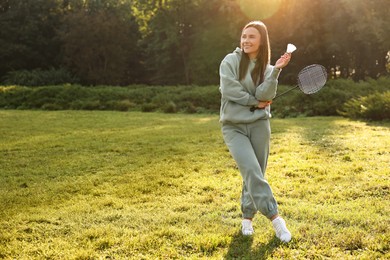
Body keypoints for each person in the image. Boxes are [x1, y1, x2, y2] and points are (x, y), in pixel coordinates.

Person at [219, 21, 292, 242]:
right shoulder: (230, 61)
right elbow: (229, 89)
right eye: (244, 36)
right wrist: (253, 101)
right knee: (250, 169)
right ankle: (276, 218)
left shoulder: (267, 69)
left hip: (260, 124)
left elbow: (265, 94)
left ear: (262, 41)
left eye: (251, 37)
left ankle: (247, 218)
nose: (246, 41)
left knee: (255, 173)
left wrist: (276, 71)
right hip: (233, 126)